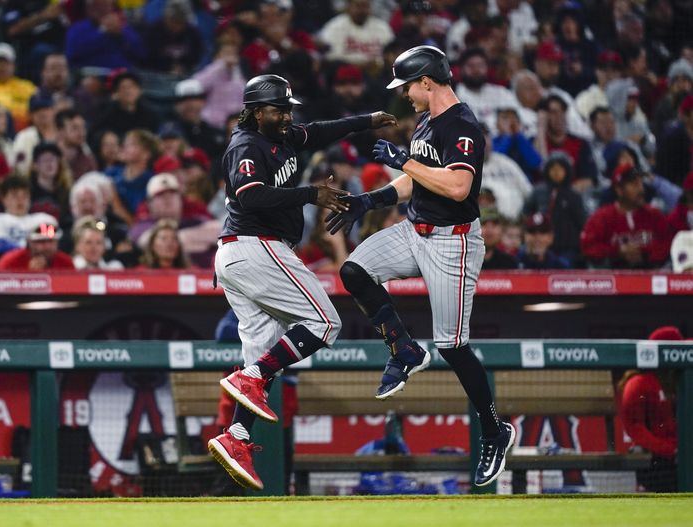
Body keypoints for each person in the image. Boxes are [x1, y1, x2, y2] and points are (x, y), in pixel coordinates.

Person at [324, 45, 515, 488]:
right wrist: (371, 199)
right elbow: (417, 177)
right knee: (354, 270)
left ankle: (493, 430)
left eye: (408, 85)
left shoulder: (462, 123)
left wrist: (402, 159)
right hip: (416, 231)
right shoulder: (428, 121)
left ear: (427, 81)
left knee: (452, 346)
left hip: (453, 242)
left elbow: (457, 185)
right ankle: (405, 349)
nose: (405, 94)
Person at [208, 73, 396, 491]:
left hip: (242, 256)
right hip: (256, 245)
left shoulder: (283, 137)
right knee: (325, 323)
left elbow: (323, 131)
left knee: (263, 358)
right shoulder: (247, 144)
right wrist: (311, 194)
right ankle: (249, 377)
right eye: (278, 108)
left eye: (288, 108)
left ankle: (236, 437)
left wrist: (367, 120)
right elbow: (250, 195)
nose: (286, 115)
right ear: (256, 111)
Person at [617, 326, 682, 492]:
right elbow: (635, 428)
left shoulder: (682, 381)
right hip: (657, 461)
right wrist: (670, 450)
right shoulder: (639, 383)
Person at [581, 164, 673, 269]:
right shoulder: (602, 217)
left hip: (650, 275)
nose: (641, 189)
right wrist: (617, 251)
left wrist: (643, 251)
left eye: (641, 184)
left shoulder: (655, 215)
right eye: (635, 184)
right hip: (613, 277)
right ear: (619, 190)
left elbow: (667, 243)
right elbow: (588, 248)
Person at [0, 220, 74, 270]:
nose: (47, 246)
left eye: (51, 241)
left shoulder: (66, 263)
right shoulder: (10, 262)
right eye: (41, 241)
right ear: (29, 242)